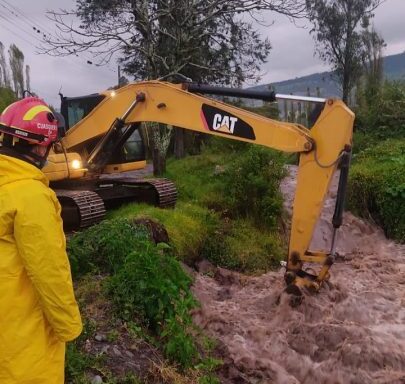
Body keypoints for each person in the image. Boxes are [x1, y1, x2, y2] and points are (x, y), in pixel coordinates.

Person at [0, 97, 82, 383]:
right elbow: (50, 271)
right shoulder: (32, 197)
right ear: (38, 145)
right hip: (24, 334)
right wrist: (70, 327)